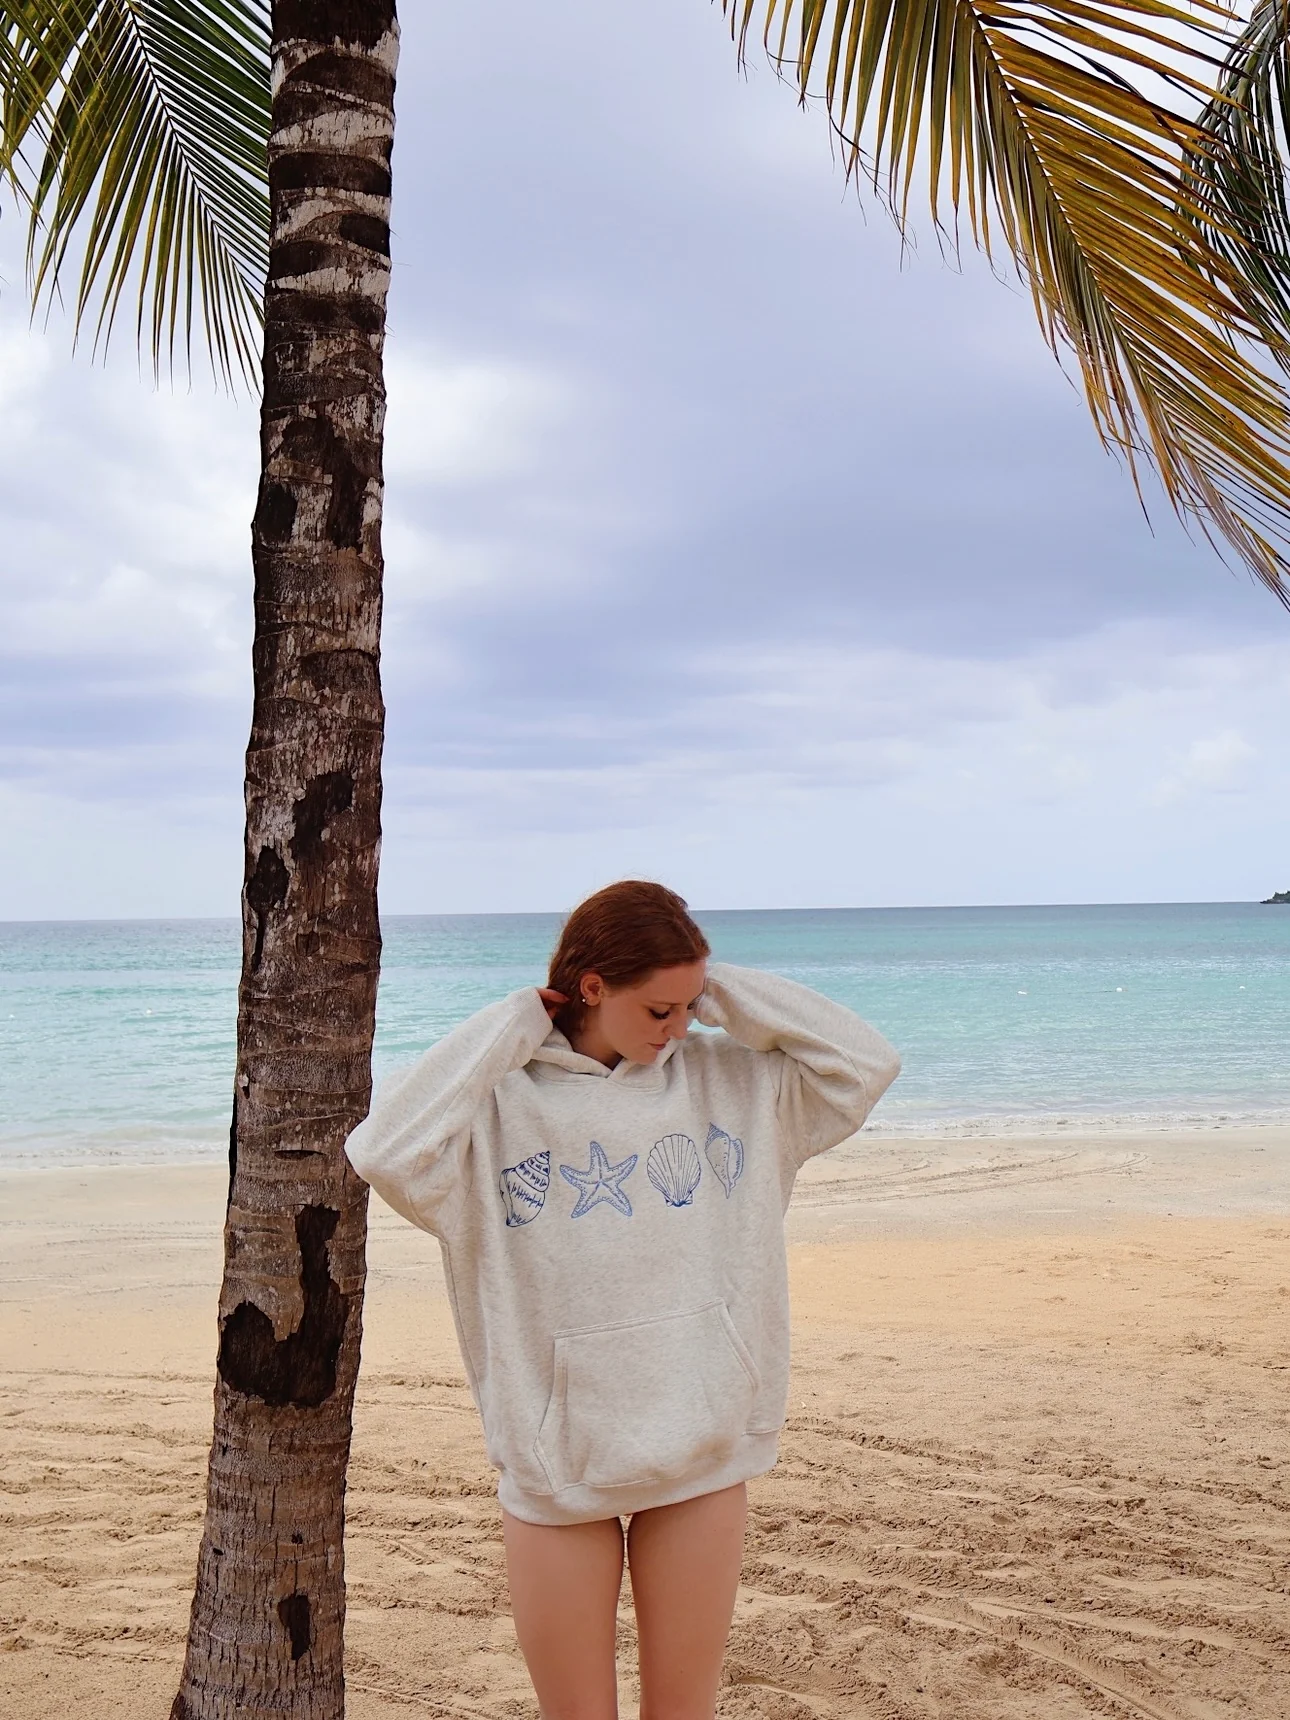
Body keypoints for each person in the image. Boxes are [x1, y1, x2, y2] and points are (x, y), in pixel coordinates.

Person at [345, 880, 900, 1719]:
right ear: (592, 987)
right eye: (659, 1010)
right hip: (561, 1465)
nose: (678, 1028)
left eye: (690, 1008)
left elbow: (866, 1064)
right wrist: (512, 1024)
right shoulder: (493, 1110)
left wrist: (718, 993)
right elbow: (384, 1151)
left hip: (702, 1444)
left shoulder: (735, 1087)